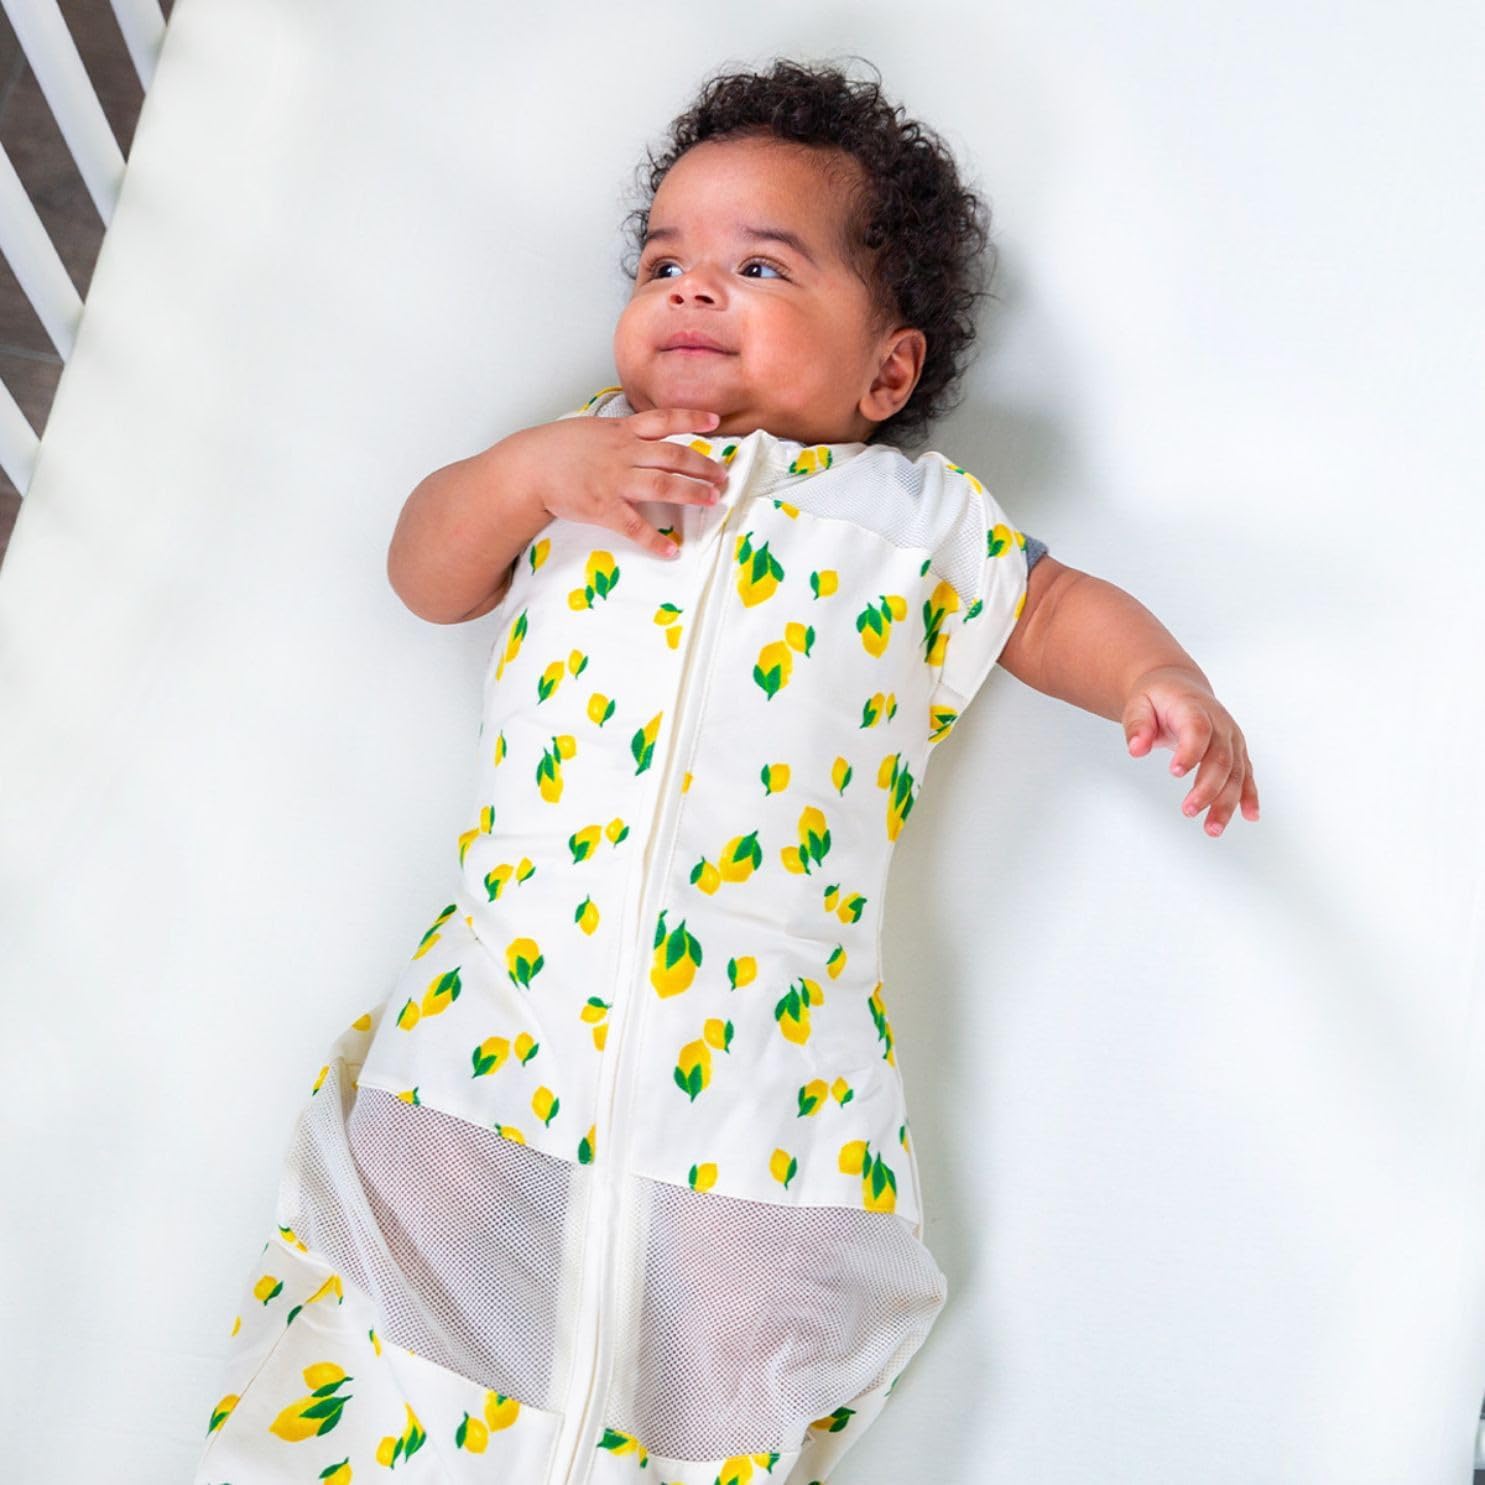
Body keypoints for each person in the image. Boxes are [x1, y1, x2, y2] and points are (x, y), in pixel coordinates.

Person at [195, 57, 1258, 1485]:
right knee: (412, 1274)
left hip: (764, 1046)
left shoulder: (915, 521)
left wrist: (1158, 680)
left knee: (727, 1342)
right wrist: (530, 474)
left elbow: (1055, 607)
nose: (692, 287)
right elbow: (426, 571)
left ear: (886, 373)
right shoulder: (585, 457)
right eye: (664, 262)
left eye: (760, 266)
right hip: (511, 1001)